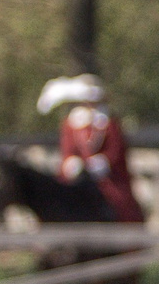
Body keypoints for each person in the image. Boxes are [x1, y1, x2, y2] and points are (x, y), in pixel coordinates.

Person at [40, 74, 142, 223]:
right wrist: (72, 162)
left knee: (120, 203)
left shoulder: (109, 124)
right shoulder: (71, 124)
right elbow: (67, 149)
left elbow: (115, 152)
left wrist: (99, 164)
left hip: (105, 178)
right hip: (77, 176)